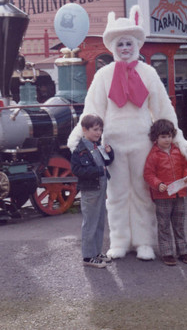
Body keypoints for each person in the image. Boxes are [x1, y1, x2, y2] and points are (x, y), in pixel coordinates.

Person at [68, 5, 187, 261]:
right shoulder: (104, 75)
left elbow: (163, 109)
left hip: (141, 143)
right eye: (120, 44)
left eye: (128, 43)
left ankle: (144, 241)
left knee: (142, 192)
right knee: (116, 195)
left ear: (136, 44)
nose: (125, 48)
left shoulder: (148, 73)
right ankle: (120, 241)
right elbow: (92, 110)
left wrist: (178, 136)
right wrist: (78, 135)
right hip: (112, 145)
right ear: (114, 47)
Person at [143, 119, 187, 266]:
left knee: (179, 224)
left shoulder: (178, 151)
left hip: (179, 194)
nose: (167, 140)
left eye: (169, 136)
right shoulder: (153, 155)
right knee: (164, 225)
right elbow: (148, 174)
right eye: (163, 137)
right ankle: (167, 253)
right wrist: (158, 184)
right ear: (156, 138)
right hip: (162, 196)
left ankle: (183, 251)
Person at [71, 114, 114, 268]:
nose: (98, 133)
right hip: (90, 190)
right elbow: (76, 169)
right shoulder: (80, 150)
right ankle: (88, 256)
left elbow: (107, 161)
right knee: (90, 223)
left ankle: (96, 252)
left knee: (100, 220)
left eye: (100, 129)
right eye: (95, 129)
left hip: (100, 188)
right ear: (84, 130)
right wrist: (98, 170)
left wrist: (109, 153)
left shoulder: (98, 146)